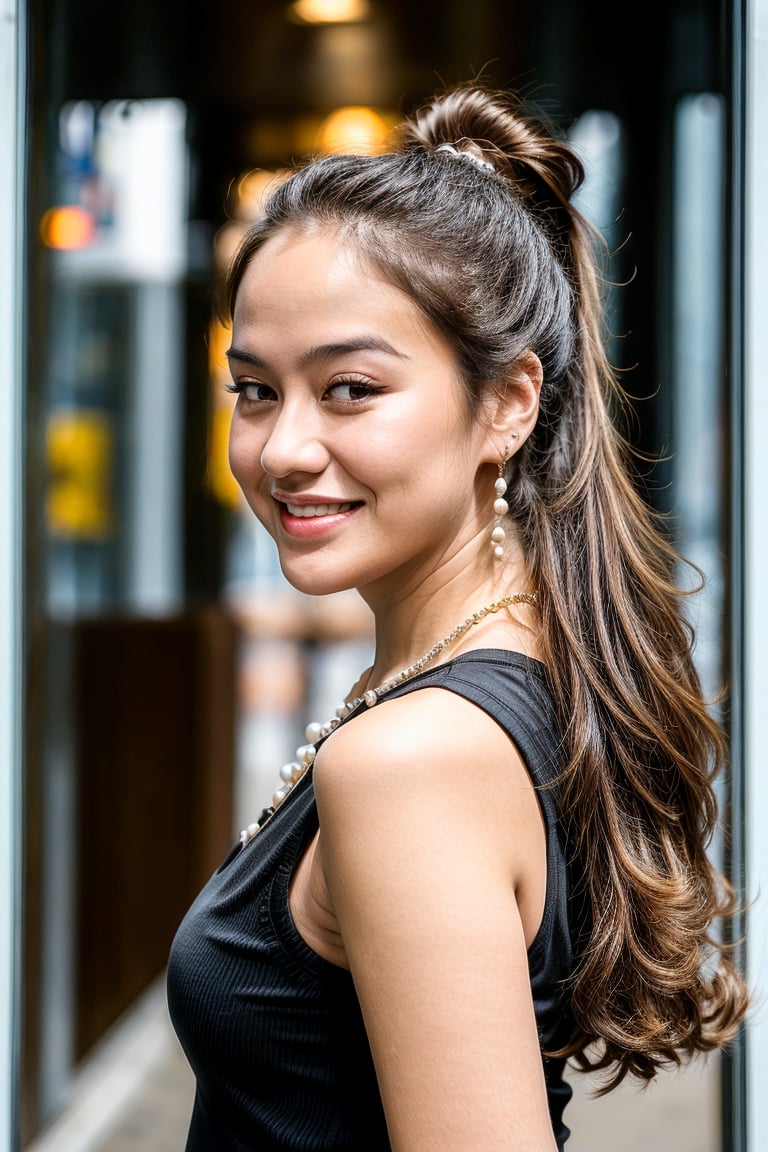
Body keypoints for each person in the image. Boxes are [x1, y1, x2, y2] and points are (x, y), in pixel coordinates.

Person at [166, 81, 749, 1151]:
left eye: (350, 389)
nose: (284, 448)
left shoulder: (415, 756)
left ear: (508, 404)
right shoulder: (512, 660)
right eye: (255, 389)